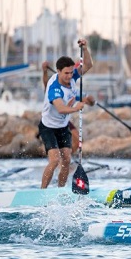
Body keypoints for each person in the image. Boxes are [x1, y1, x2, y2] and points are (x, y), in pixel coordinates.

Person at [38, 38, 95, 189]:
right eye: (66, 73)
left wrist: (85, 49)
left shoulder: (72, 77)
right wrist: (78, 107)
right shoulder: (54, 88)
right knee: (55, 160)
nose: (70, 76)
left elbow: (88, 65)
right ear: (58, 71)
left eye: (71, 72)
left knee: (67, 160)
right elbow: (61, 108)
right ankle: (41, 192)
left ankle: (60, 191)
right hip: (48, 127)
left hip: (63, 126)